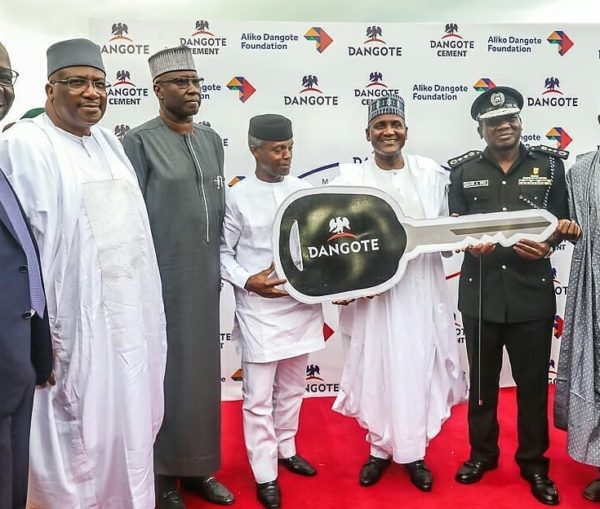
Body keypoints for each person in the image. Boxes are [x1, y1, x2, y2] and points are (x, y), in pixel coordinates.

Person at [0, 38, 167, 508]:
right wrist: (41, 337)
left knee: (129, 433)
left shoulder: (109, 143)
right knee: (75, 444)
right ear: (49, 89)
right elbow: (20, 253)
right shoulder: (23, 145)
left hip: (130, 331)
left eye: (99, 83)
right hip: (69, 334)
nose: (92, 92)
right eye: (77, 82)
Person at [448, 85, 580, 506]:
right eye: (493, 122)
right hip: (481, 293)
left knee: (532, 386)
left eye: (510, 119)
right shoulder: (463, 172)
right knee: (482, 386)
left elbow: (564, 222)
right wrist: (468, 244)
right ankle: (482, 455)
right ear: (480, 130)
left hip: (531, 296)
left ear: (520, 122)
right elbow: (454, 229)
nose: (503, 126)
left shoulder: (550, 166)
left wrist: (548, 246)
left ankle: (534, 463)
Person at [330, 94, 467, 492]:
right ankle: (378, 449)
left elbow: (446, 234)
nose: (388, 132)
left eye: (395, 125)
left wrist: (460, 233)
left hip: (420, 291)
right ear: (367, 134)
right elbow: (336, 242)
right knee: (376, 366)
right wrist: (343, 284)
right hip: (374, 297)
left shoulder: (430, 175)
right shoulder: (350, 180)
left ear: (406, 131)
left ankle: (414, 451)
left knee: (417, 365)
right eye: (380, 126)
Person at [122, 45, 233, 508]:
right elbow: (128, 219)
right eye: (181, 82)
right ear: (158, 89)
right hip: (161, 280)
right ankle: (163, 474)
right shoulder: (139, 142)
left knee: (203, 377)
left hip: (204, 281)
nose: (192, 90)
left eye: (196, 81)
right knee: (166, 375)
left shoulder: (211, 140)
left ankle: (199, 468)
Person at [220, 114, 324, 509]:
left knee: (293, 388)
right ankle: (265, 473)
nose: (286, 155)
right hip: (259, 309)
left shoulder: (304, 191)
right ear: (254, 150)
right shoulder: (238, 196)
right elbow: (222, 253)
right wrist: (248, 281)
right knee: (258, 398)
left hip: (301, 306)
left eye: (290, 148)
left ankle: (286, 448)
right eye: (278, 149)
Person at [0, 41, 53, 509]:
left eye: (5, 77)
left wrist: (38, 346)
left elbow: (22, 261)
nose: (1, 88)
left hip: (16, 368)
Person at [554, 148, 599, 503]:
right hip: (593, 287)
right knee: (595, 374)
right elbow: (571, 226)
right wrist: (567, 229)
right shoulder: (582, 169)